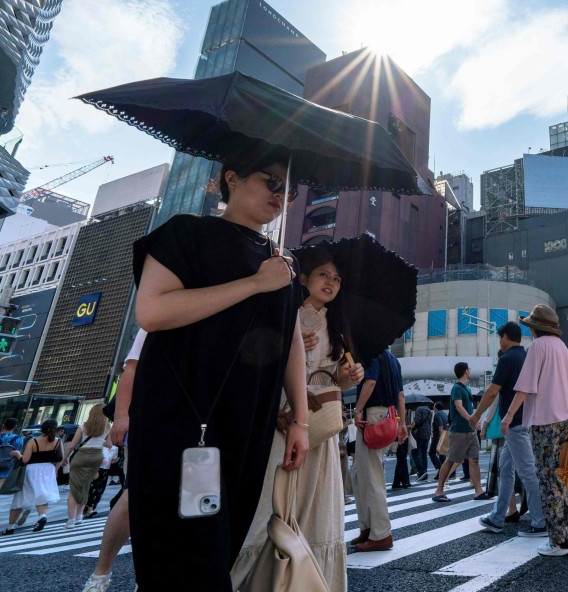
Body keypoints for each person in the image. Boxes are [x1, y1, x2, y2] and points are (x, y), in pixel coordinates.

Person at [130, 151, 309, 590]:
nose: (281, 196)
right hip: (183, 418)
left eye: (290, 189)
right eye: (272, 181)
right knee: (187, 555)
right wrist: (253, 284)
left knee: (220, 543)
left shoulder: (284, 262)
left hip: (248, 422)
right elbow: (151, 311)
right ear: (233, 177)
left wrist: (301, 419)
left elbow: (291, 341)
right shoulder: (186, 233)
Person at [233, 245, 363, 590]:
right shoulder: (283, 311)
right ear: (303, 278)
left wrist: (348, 378)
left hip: (319, 427)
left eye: (336, 279)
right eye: (323, 274)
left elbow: (331, 381)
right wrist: (286, 346)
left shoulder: (337, 328)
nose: (331, 282)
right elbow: (255, 360)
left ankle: (310, 581)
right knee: (270, 501)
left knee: (317, 505)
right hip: (284, 419)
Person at [502, 305, 568, 558]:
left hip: (545, 418)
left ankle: (559, 541)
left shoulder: (538, 347)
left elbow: (526, 386)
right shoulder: (562, 347)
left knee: (546, 478)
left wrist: (509, 415)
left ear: (535, 327)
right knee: (553, 474)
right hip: (564, 416)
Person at [80, 329, 145, 592]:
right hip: (151, 417)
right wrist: (121, 418)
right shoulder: (163, 305)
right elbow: (131, 367)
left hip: (199, 421)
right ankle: (101, 572)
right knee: (135, 495)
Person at [471, 321, 547, 537]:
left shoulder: (507, 359)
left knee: (527, 471)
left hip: (515, 423)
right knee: (506, 468)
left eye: (499, 337)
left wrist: (477, 415)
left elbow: (493, 391)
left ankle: (540, 521)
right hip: (526, 419)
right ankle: (497, 518)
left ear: (504, 337)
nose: (500, 341)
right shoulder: (526, 357)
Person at [351, 349, 407, 552]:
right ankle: (368, 527)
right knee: (359, 474)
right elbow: (400, 395)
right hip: (388, 416)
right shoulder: (393, 360)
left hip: (372, 416)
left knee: (371, 476)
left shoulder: (371, 354)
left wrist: (356, 410)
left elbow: (370, 382)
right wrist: (402, 424)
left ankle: (381, 534)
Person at [433, 362, 487, 502]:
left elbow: (467, 408)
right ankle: (439, 491)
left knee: (474, 459)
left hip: (470, 430)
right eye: (468, 369)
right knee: (451, 460)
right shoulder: (457, 388)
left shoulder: (467, 389)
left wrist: (473, 421)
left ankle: (478, 491)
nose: (470, 370)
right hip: (459, 430)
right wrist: (472, 419)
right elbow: (458, 406)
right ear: (465, 372)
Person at [3, 418, 61, 534]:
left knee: (19, 498)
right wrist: (56, 470)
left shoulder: (33, 441)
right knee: (42, 496)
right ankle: (42, 516)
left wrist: (17, 454)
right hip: (48, 469)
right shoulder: (57, 440)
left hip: (32, 470)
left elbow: (24, 460)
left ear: (42, 428)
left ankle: (10, 527)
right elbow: (60, 457)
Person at [62, 404, 111, 529]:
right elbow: (109, 445)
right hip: (96, 457)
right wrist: (99, 440)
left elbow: (72, 445)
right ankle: (79, 517)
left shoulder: (83, 426)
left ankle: (71, 520)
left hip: (81, 456)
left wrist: (64, 459)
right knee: (86, 485)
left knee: (74, 488)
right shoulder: (107, 427)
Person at [411, 404, 433, 482]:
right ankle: (425, 474)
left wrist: (412, 426)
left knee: (415, 453)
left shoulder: (419, 409)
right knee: (424, 454)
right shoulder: (429, 411)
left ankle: (421, 471)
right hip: (427, 434)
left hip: (419, 434)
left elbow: (417, 421)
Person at [429, 402, 448, 470]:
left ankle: (440, 467)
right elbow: (448, 425)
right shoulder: (445, 414)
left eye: (434, 406)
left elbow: (440, 426)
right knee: (442, 455)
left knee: (432, 452)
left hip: (438, 437)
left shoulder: (437, 414)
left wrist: (440, 436)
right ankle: (443, 471)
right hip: (446, 435)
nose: (433, 408)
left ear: (436, 407)